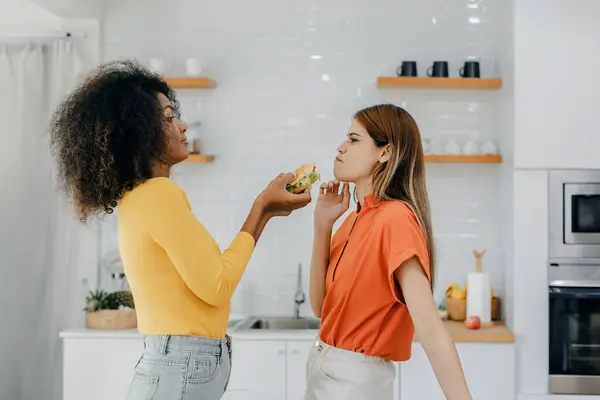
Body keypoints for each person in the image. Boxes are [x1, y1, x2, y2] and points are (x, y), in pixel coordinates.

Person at [48, 59, 312, 400]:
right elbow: (217, 285)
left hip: (177, 364)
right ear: (139, 132)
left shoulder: (141, 196)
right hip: (182, 364)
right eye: (170, 119)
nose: (183, 127)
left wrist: (265, 213)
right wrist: (261, 207)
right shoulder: (159, 194)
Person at [305, 103, 472, 400]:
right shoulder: (353, 219)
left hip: (352, 382)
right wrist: (322, 227)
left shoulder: (395, 218)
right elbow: (320, 308)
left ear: (385, 153)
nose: (341, 148)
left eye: (354, 140)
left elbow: (430, 328)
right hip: (323, 368)